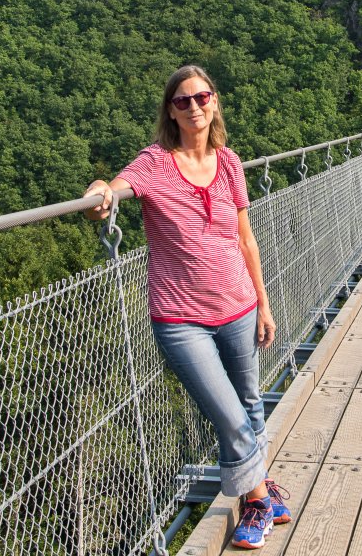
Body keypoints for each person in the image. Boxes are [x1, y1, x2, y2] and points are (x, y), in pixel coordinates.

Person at [84, 65, 291, 550]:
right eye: (183, 101)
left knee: (250, 404)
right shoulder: (155, 163)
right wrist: (99, 194)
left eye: (202, 97)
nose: (194, 106)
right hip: (181, 319)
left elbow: (246, 239)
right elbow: (112, 190)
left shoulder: (231, 162)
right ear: (171, 112)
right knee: (229, 415)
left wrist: (263, 304)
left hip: (239, 305)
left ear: (214, 103)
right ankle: (260, 501)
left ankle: (259, 492)